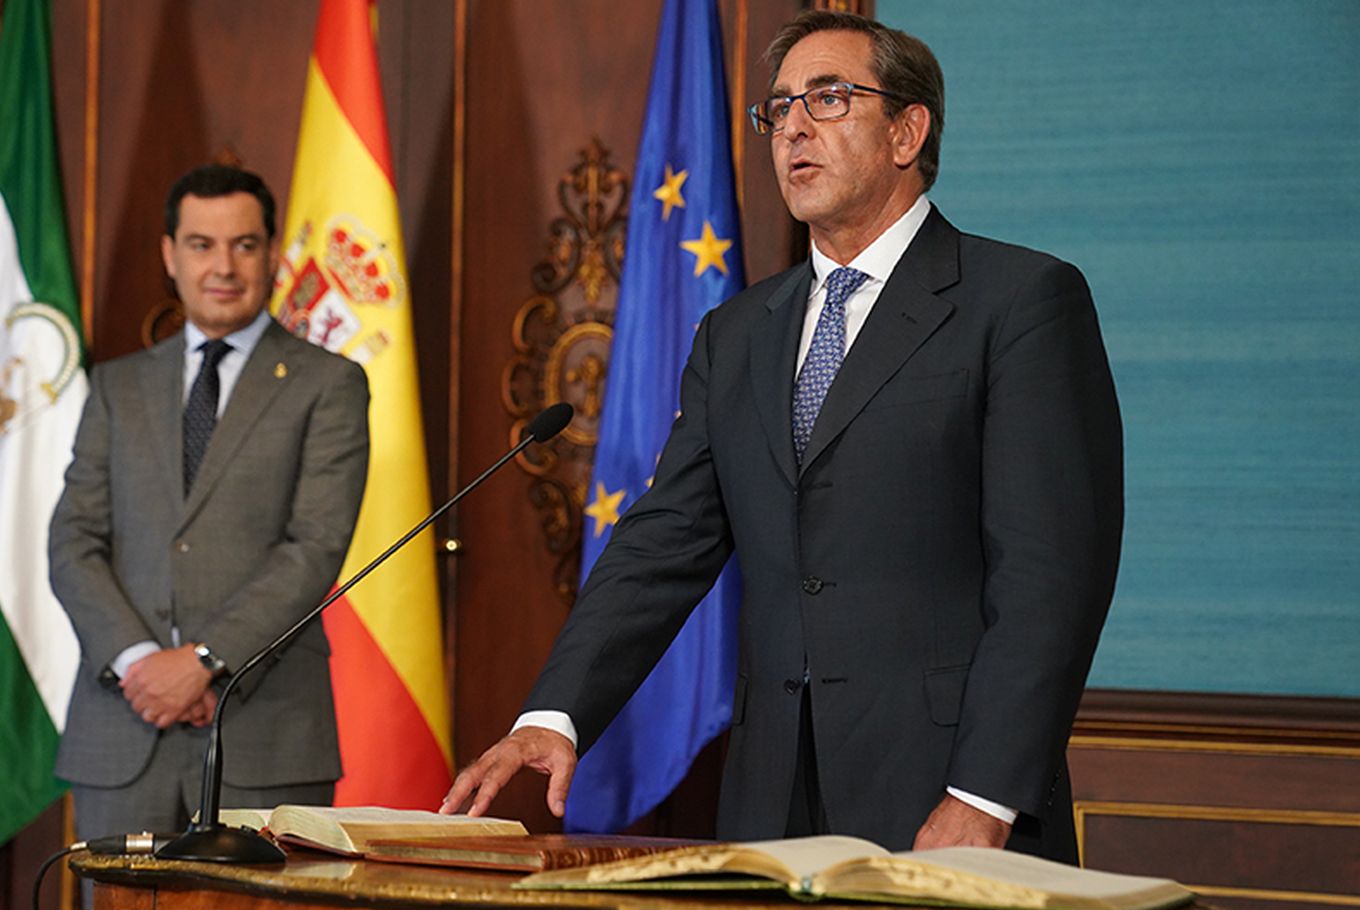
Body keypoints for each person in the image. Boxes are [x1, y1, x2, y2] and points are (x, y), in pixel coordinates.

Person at [441, 11, 1122, 865]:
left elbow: (1051, 576)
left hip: (945, 796)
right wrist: (554, 714)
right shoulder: (737, 335)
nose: (792, 125)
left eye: (828, 98)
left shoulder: (1018, 302)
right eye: (778, 109)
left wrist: (983, 795)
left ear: (908, 130)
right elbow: (664, 542)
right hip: (768, 800)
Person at [49, 164, 369, 840]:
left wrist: (200, 662)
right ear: (170, 254)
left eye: (244, 245)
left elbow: (314, 548)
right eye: (201, 244)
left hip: (265, 734)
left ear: (272, 253)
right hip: (121, 732)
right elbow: (72, 542)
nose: (223, 265)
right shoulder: (115, 387)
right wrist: (141, 663)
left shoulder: (330, 384)